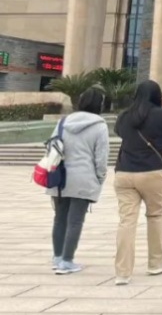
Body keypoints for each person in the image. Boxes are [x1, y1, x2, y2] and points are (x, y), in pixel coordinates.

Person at [113, 80, 162, 285]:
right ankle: (156, 263)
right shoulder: (161, 115)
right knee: (155, 216)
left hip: (124, 172)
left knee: (126, 221)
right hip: (152, 171)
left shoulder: (125, 116)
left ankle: (122, 272)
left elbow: (120, 133)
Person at [49, 86, 109, 275]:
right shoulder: (99, 125)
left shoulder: (63, 122)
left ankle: (58, 258)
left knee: (59, 219)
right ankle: (67, 261)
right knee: (75, 221)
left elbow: (51, 147)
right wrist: (100, 178)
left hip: (60, 177)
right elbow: (101, 157)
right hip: (84, 178)